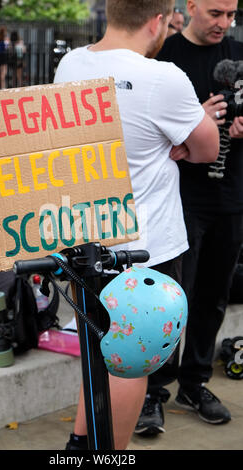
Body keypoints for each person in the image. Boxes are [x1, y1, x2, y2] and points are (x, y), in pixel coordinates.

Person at [54, 0, 219, 450]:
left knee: (96, 349)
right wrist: (185, 128)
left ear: (110, 12)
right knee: (129, 362)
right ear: (159, 20)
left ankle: (80, 445)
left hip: (84, 241)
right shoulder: (163, 77)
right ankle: (111, 454)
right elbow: (207, 148)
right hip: (142, 250)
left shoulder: (70, 64)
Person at [135, 0, 243, 437]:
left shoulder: (238, 52)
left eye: (232, 14)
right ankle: (152, 394)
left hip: (232, 195)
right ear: (191, 6)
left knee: (214, 296)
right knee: (170, 300)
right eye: (216, 13)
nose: (225, 23)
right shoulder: (163, 56)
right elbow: (141, 127)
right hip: (179, 200)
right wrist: (193, 122)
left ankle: (194, 384)